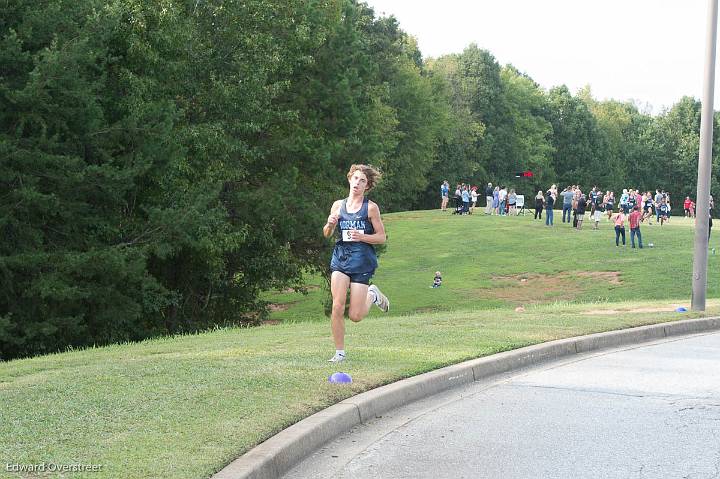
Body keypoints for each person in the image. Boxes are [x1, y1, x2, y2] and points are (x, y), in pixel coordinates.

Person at [324, 164, 390, 363]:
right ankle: (339, 353)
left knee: (355, 316)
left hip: (361, 261)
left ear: (367, 186)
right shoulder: (338, 205)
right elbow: (326, 235)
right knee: (337, 305)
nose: (357, 183)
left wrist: (362, 236)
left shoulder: (370, 208)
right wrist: (329, 224)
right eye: (355, 179)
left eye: (362, 181)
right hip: (341, 258)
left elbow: (381, 237)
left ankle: (372, 294)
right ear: (349, 180)